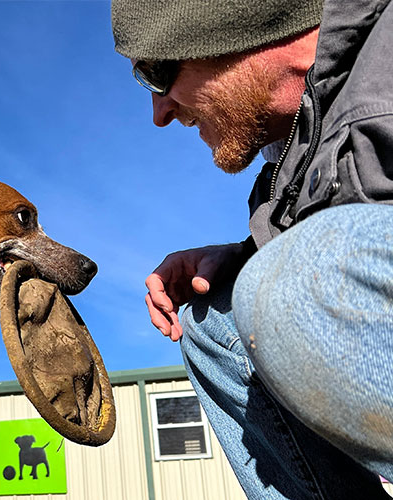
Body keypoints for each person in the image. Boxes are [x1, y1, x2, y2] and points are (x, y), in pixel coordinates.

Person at [111, 0, 393, 498]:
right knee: (211, 321)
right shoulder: (291, 153)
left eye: (156, 73)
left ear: (233, 24)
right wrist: (243, 256)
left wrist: (280, 270)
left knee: (284, 285)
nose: (160, 112)